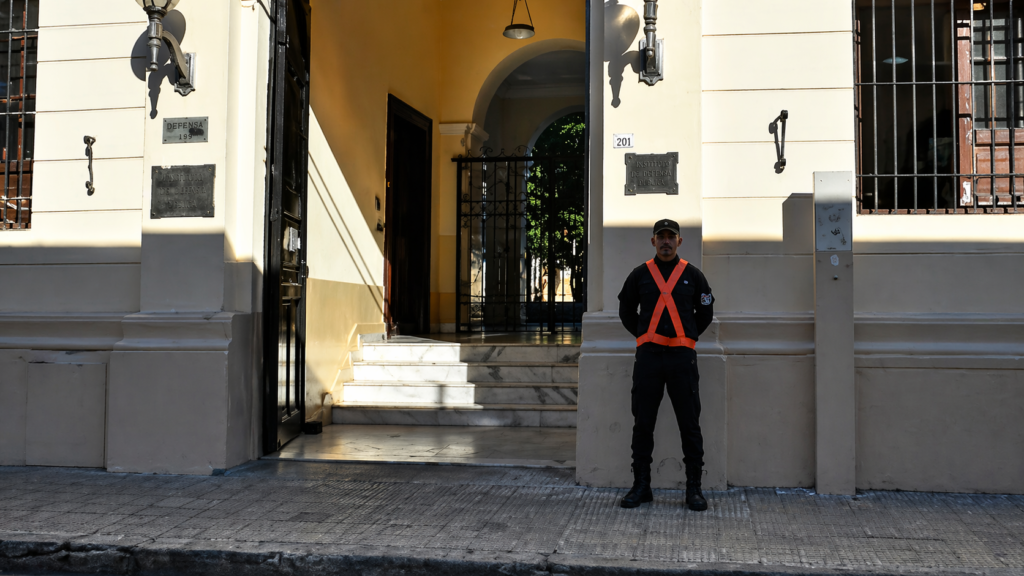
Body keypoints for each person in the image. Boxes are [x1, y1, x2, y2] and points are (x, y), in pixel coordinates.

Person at [616, 219, 715, 511]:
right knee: (643, 423)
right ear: (653, 241)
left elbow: (706, 312)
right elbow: (625, 311)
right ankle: (641, 486)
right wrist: (645, 336)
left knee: (689, 424)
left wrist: (688, 335)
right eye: (661, 237)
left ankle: (694, 488)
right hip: (649, 359)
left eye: (671, 237)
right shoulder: (639, 275)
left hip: (682, 359)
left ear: (680, 242)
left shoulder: (694, 276)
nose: (666, 241)